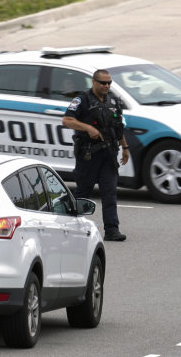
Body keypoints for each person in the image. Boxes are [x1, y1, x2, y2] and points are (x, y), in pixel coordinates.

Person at [62, 69, 130, 242]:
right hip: (88, 155)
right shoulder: (82, 100)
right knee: (83, 192)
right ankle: (69, 226)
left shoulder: (113, 100)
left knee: (110, 193)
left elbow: (117, 128)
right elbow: (67, 120)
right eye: (103, 83)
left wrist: (125, 147)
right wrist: (88, 128)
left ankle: (112, 230)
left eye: (109, 83)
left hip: (109, 155)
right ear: (94, 82)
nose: (107, 86)